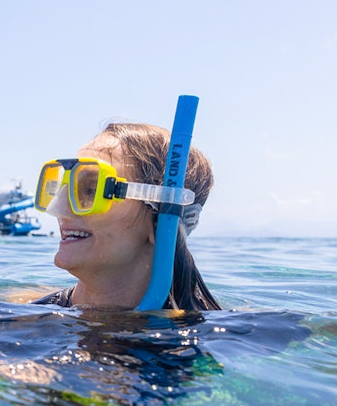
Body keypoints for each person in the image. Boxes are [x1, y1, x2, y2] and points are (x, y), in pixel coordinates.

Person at [31, 122, 220, 310]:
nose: (58, 208)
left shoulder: (224, 334)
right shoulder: (26, 319)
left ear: (161, 223)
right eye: (62, 189)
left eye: (91, 190)